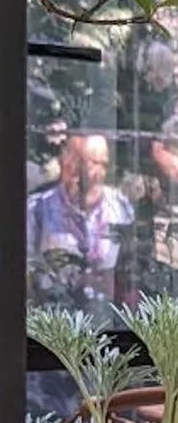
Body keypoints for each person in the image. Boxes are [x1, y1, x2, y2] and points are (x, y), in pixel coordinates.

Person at [27, 131, 134, 308]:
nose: (94, 173)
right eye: (83, 163)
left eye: (102, 164)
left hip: (105, 317)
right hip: (54, 318)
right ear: (66, 164)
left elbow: (129, 267)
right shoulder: (37, 210)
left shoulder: (120, 209)